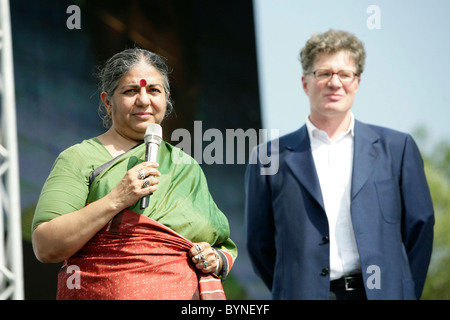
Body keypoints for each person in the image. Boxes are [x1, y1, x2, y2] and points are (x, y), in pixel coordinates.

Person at [32, 48, 237, 300]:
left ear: (166, 98)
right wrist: (117, 198)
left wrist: (212, 257)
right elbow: (46, 246)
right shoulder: (79, 158)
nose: (143, 100)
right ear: (108, 101)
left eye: (153, 90)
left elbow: (219, 243)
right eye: (130, 91)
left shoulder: (186, 166)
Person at [245, 29, 434, 300]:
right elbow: (259, 244)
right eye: (324, 73)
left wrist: (404, 291)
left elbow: (421, 227)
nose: (335, 83)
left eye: (345, 74)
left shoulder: (397, 148)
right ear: (304, 82)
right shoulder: (268, 157)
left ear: (357, 82)